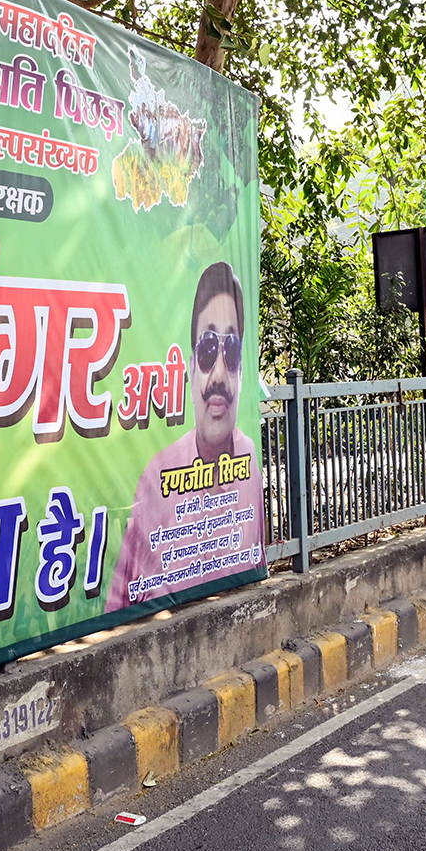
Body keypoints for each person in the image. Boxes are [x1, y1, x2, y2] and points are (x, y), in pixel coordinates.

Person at [106, 262, 264, 612]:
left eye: (232, 351)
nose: (220, 373)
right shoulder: (157, 475)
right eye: (209, 349)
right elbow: (117, 606)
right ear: (191, 367)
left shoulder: (249, 460)